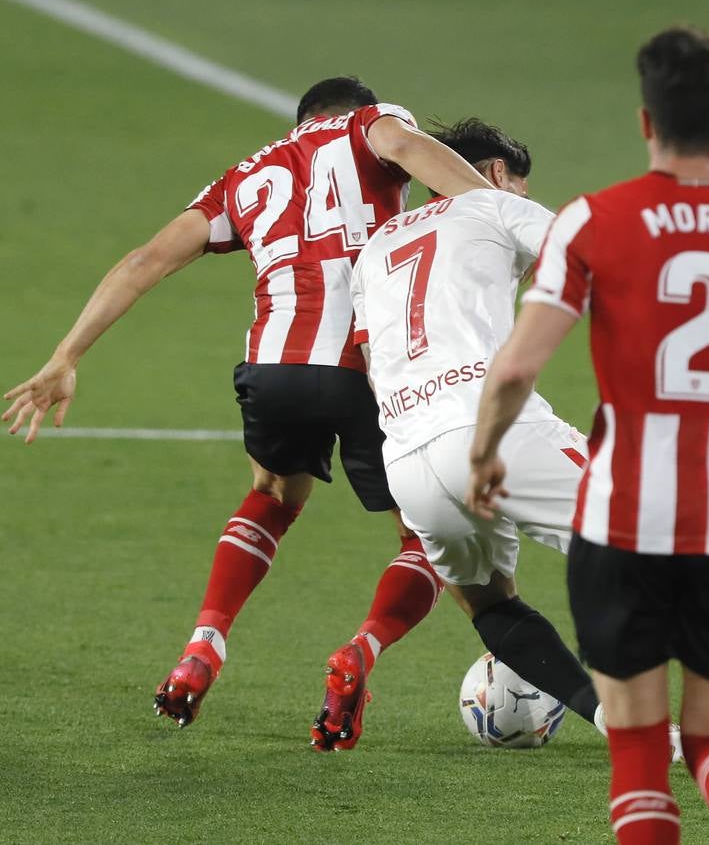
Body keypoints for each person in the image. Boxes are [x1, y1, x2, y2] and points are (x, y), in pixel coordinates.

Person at [2, 76, 492, 731]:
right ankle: (364, 649)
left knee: (272, 495)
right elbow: (405, 146)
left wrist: (67, 355)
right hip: (372, 370)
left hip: (275, 369)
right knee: (425, 531)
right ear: (352, 110)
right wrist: (502, 215)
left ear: (299, 122)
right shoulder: (370, 125)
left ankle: (203, 645)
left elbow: (147, 260)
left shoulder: (244, 177)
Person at [467, 27, 709, 845]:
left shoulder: (592, 220)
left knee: (641, 753)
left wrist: (486, 453)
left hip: (622, 516)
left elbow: (516, 367)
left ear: (646, 122)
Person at [335, 118, 610, 749]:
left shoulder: (373, 252)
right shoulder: (492, 204)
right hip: (492, 430)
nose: (523, 195)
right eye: (521, 184)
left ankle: (618, 725)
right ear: (496, 173)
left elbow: (373, 365)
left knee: (490, 603)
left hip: (408, 459)